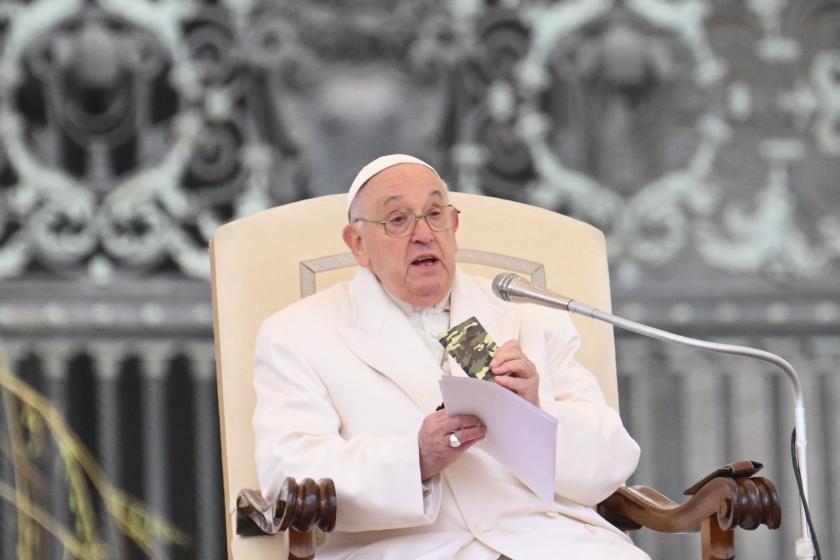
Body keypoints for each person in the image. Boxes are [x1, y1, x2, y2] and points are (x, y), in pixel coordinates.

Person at [253, 154, 648, 559]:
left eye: (435, 214)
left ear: (454, 226)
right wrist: (415, 458)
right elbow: (289, 474)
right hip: (409, 549)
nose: (424, 234)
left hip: (550, 543)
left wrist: (536, 410)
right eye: (398, 220)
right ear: (358, 244)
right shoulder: (297, 333)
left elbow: (611, 462)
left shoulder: (529, 313)